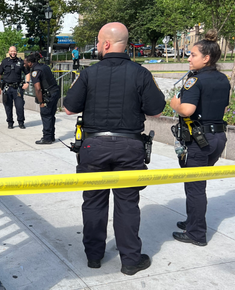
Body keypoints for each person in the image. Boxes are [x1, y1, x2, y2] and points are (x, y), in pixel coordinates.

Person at [63, 22, 165, 276]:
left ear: (106, 44)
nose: (97, 47)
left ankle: (94, 256)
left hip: (93, 145)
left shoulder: (88, 74)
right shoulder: (141, 73)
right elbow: (157, 109)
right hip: (129, 146)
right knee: (128, 203)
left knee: (94, 201)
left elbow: (68, 108)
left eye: (98, 42)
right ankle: (130, 260)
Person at [169, 29, 230, 247]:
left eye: (193, 55)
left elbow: (186, 109)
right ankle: (192, 221)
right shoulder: (223, 79)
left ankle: (196, 233)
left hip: (198, 140)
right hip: (217, 138)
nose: (189, 58)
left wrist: (173, 103)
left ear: (206, 58)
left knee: (195, 187)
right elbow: (223, 107)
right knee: (197, 184)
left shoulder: (194, 81)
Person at [25, 52, 60, 143]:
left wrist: (41, 103)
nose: (24, 65)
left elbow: (38, 89)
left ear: (30, 63)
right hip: (55, 92)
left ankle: (47, 138)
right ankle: (51, 136)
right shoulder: (45, 66)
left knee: (46, 115)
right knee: (51, 115)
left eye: (25, 63)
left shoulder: (35, 71)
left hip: (48, 96)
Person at [0, 46, 28, 129]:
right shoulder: (4, 62)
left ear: (16, 52)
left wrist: (27, 83)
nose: (13, 52)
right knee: (8, 106)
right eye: (11, 51)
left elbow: (27, 73)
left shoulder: (20, 62)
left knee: (20, 106)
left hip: (17, 88)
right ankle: (10, 122)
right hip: (7, 88)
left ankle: (21, 122)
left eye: (14, 51)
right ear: (9, 52)